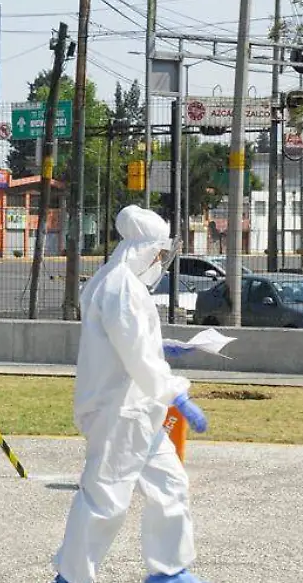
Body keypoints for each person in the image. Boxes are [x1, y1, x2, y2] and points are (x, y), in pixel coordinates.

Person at [52, 205, 210, 583]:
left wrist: (165, 346)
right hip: (119, 411)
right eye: (158, 253)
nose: (159, 261)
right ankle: (72, 577)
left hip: (139, 409)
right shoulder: (122, 287)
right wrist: (177, 392)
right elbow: (137, 355)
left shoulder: (118, 281)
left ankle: (169, 570)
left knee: (170, 485)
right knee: (105, 500)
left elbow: (130, 344)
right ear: (143, 248)